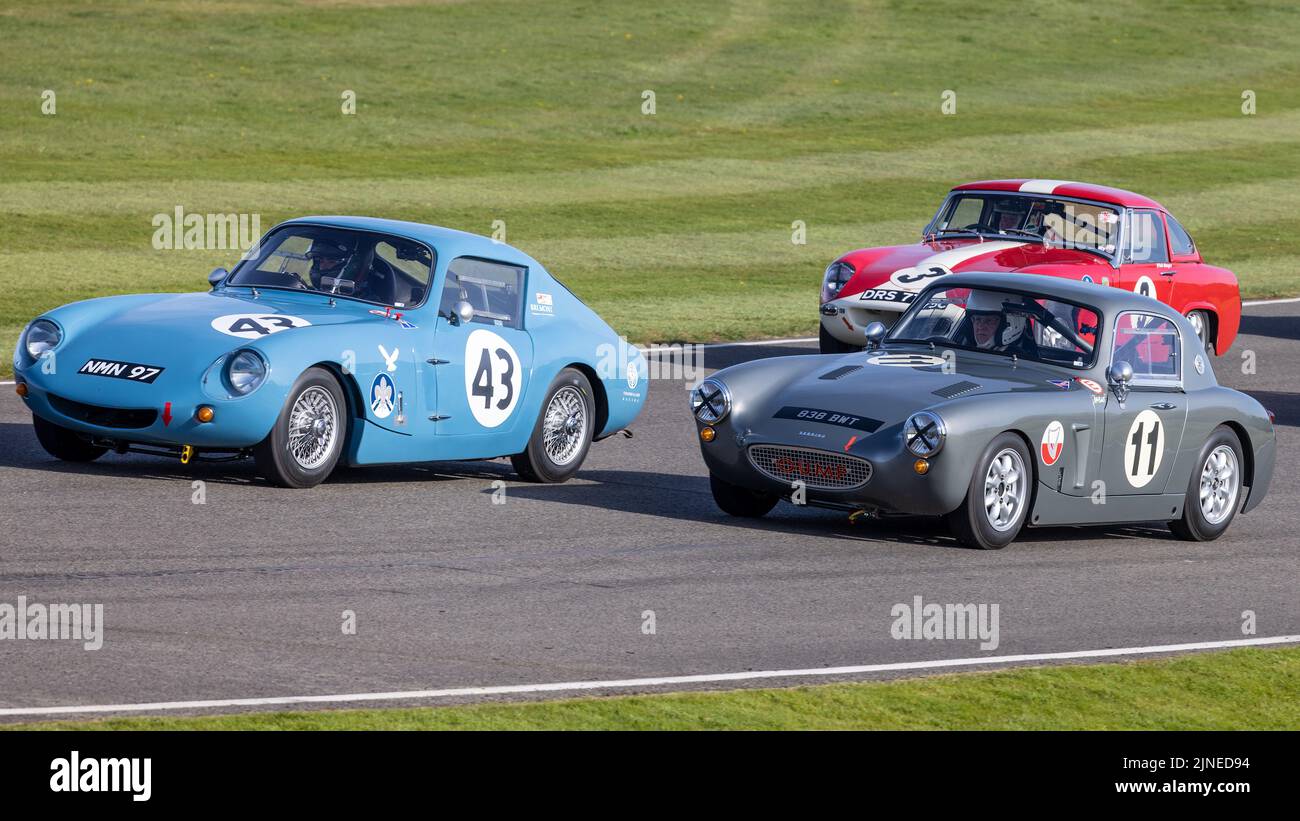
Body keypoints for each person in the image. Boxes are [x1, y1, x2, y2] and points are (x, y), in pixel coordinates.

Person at [963, 290, 1036, 356]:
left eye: (989, 321)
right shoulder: (961, 350)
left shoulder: (1021, 362)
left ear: (1010, 324)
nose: (980, 327)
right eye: (977, 319)